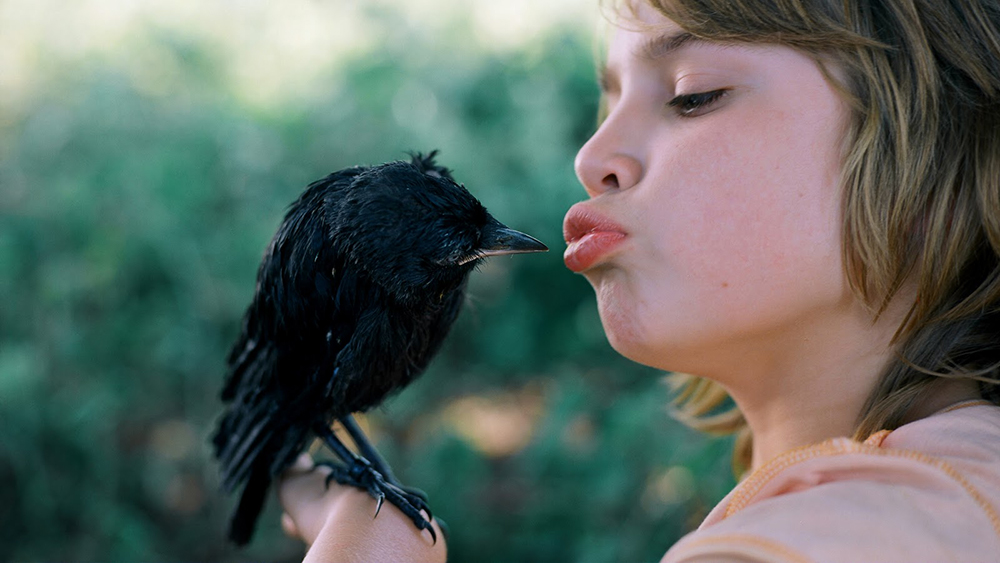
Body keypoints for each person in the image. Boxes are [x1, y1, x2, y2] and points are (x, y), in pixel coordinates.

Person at [278, 0, 1000, 560]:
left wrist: (370, 541)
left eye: (693, 93)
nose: (593, 155)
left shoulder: (869, 528)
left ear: (943, 173)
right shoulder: (947, 490)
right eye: (609, 99)